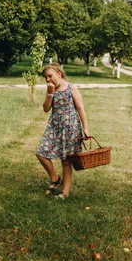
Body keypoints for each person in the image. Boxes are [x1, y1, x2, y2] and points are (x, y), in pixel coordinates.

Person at [34, 63, 91, 199]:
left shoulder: (71, 88)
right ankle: (54, 178)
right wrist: (50, 93)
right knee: (41, 153)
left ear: (59, 74)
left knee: (66, 160)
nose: (48, 80)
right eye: (45, 78)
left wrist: (86, 128)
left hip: (70, 128)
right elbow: (46, 108)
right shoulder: (51, 90)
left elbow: (81, 108)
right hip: (54, 127)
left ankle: (65, 192)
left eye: (50, 76)